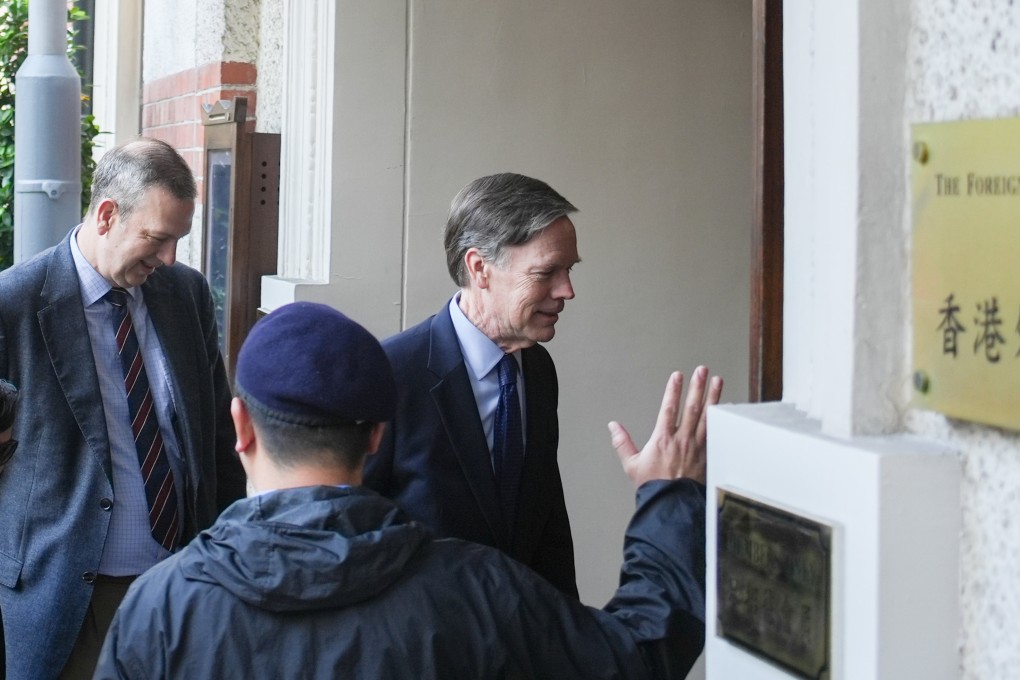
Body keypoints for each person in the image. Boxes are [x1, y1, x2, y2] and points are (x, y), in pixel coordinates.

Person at [93, 301, 723, 679]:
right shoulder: (478, 591)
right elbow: (635, 658)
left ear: (241, 427)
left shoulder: (160, 607)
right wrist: (666, 497)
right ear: (376, 438)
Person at [0, 137, 245, 679]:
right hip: (66, 600)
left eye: (178, 241)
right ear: (107, 215)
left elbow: (217, 445)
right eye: (156, 239)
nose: (168, 259)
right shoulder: (13, 304)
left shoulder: (186, 294)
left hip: (185, 586)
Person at [364, 172, 582, 597]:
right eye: (547, 272)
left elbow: (546, 522)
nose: (567, 290)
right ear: (479, 268)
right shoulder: (390, 374)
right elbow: (358, 531)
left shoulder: (538, 371)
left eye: (569, 269)